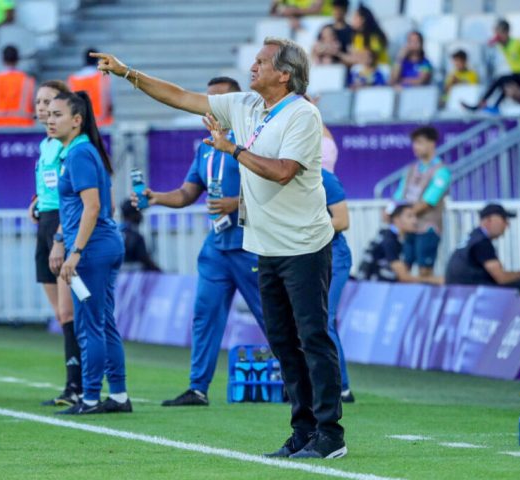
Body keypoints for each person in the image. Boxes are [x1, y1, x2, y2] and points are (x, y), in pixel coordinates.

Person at [91, 36, 347, 458]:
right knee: (283, 341)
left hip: (304, 244)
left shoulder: (303, 115)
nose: (252, 67)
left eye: (262, 62)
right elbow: (180, 97)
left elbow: (282, 172)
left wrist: (235, 149)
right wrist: (127, 73)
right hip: (265, 245)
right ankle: (303, 430)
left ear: (284, 74)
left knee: (312, 338)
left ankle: (331, 435)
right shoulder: (245, 105)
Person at [132, 76, 265, 407]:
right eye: (209, 99)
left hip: (251, 244)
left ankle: (296, 382)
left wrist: (236, 204)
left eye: (220, 99)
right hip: (217, 247)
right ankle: (197, 388)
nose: (212, 106)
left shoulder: (253, 141)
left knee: (272, 317)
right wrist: (156, 197)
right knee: (205, 314)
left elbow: (274, 187)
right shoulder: (205, 148)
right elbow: (187, 193)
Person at [47, 91, 130, 415]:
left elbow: (92, 206)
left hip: (93, 248)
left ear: (77, 120)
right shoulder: (84, 151)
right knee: (104, 322)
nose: (50, 120)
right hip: (103, 244)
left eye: (57, 114)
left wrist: (75, 251)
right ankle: (119, 395)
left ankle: (91, 397)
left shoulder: (79, 154)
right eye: (49, 114)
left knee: (90, 325)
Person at [27, 80, 82, 407]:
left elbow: (72, 193)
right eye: (38, 102)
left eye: (48, 102)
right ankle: (74, 382)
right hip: (46, 222)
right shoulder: (46, 144)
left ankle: (77, 384)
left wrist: (61, 235)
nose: (42, 108)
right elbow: (50, 187)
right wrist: (35, 200)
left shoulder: (69, 145)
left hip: (62, 224)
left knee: (68, 310)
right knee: (60, 314)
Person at [445, 204, 520, 297]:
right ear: (489, 220)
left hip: (459, 290)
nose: (507, 225)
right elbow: (501, 278)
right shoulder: (482, 242)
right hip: (470, 292)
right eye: (504, 220)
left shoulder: (473, 237)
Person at [393, 126, 451, 278]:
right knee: (403, 268)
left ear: (432, 143)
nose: (415, 147)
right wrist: (391, 211)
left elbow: (429, 202)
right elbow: (399, 195)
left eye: (420, 142)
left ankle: (428, 300)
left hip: (428, 229)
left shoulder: (441, 171)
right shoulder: (411, 169)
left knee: (425, 271)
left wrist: (401, 216)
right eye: (414, 143)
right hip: (408, 229)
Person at [322, 165, 354, 403]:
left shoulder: (325, 179)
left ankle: (341, 387)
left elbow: (342, 221)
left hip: (333, 254)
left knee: (324, 319)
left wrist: (306, 228)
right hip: (303, 254)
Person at [357, 203, 443, 284]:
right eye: (409, 216)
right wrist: (435, 280)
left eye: (415, 216)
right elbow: (404, 277)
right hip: (372, 288)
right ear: (396, 219)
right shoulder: (389, 240)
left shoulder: (389, 235)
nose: (415, 221)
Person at [462, 20, 520, 113]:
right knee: (503, 83)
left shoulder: (518, 43)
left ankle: (481, 105)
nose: (497, 36)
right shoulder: (502, 45)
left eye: (499, 33)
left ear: (506, 32)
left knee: (500, 79)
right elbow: (490, 43)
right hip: (516, 74)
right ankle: (493, 106)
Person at [0, 45, 35, 128]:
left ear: (2, 60)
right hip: (23, 129)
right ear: (18, 60)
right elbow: (34, 104)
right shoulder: (27, 81)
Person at [68, 49, 113, 128]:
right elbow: (107, 100)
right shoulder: (102, 77)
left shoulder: (72, 79)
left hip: (80, 123)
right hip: (99, 122)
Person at [119, 199, 161, 272]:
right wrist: (161, 272)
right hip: (133, 276)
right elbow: (145, 260)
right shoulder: (135, 236)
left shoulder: (116, 232)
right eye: (139, 213)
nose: (141, 216)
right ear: (132, 214)